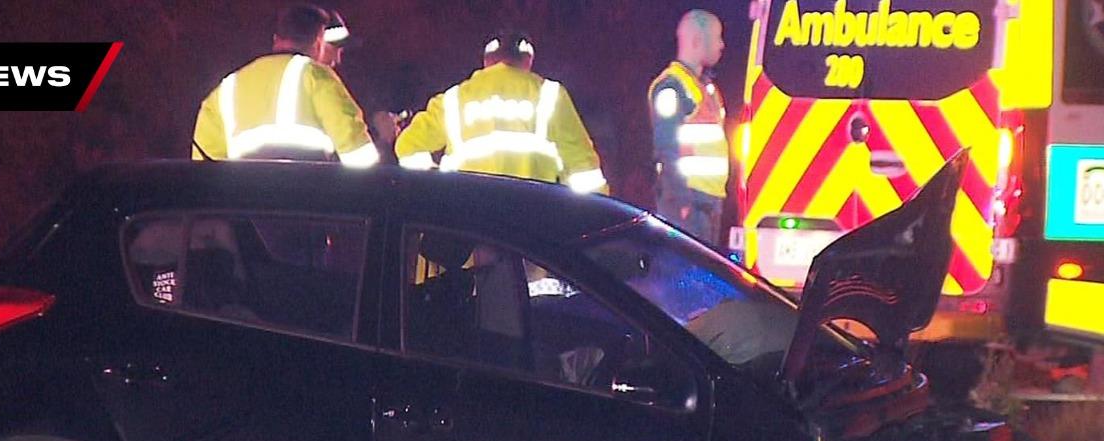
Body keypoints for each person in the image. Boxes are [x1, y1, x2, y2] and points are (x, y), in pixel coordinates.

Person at [394, 30, 608, 194]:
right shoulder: (550, 96)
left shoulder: (454, 99)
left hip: (468, 224)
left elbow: (408, 148)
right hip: (531, 229)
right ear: (528, 60)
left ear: (486, 60)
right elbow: (585, 174)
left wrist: (439, 189)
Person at [190, 3, 378, 165]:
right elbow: (357, 151)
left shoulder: (227, 87)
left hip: (250, 204)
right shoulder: (315, 75)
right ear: (319, 42)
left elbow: (205, 165)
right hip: (307, 200)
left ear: (276, 39)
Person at [649, 10, 728, 245]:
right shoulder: (672, 86)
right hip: (688, 203)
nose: (722, 45)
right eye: (717, 37)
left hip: (706, 201)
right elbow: (666, 148)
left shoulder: (703, 87)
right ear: (696, 40)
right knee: (681, 274)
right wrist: (679, 203)